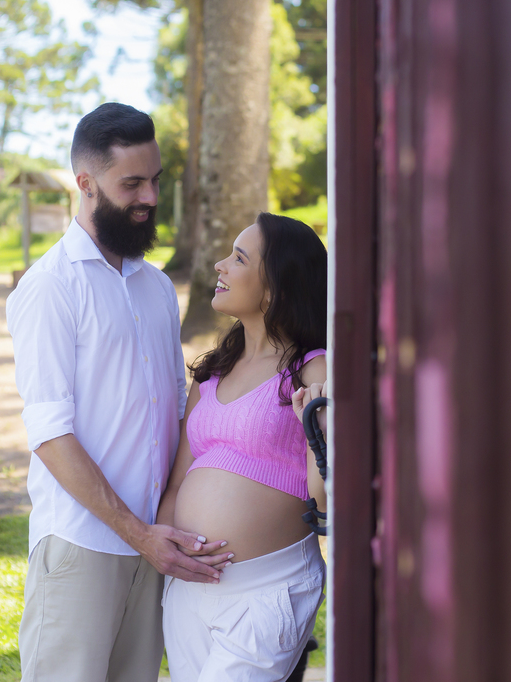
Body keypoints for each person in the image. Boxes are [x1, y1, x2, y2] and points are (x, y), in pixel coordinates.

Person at [6, 102, 231, 682]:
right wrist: (139, 534)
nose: (149, 198)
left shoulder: (156, 287)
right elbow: (51, 437)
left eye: (154, 180)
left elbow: (175, 412)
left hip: (152, 549)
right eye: (131, 183)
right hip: (83, 547)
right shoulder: (49, 288)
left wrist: (161, 529)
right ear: (86, 184)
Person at [157, 212, 330, 682]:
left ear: (273, 287)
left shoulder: (313, 371)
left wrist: (316, 430)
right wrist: (172, 553)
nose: (219, 265)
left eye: (238, 257)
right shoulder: (211, 375)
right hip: (190, 591)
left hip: (266, 589)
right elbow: (177, 484)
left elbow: (327, 501)